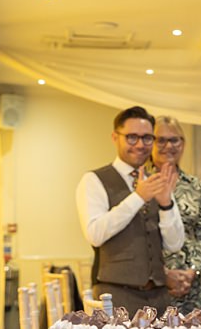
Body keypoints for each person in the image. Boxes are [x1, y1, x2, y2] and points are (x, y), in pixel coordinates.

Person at [76, 106, 184, 311]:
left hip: (159, 296)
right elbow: (95, 234)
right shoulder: (93, 180)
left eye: (147, 138)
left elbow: (175, 244)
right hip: (115, 296)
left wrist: (165, 204)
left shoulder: (156, 181)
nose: (141, 145)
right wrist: (138, 197)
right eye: (132, 137)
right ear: (115, 137)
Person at [150, 115, 201, 314]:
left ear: (183, 144)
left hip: (190, 289)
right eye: (161, 140)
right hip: (151, 287)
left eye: (175, 140)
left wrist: (191, 272)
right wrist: (165, 275)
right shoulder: (141, 183)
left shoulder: (194, 185)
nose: (169, 146)